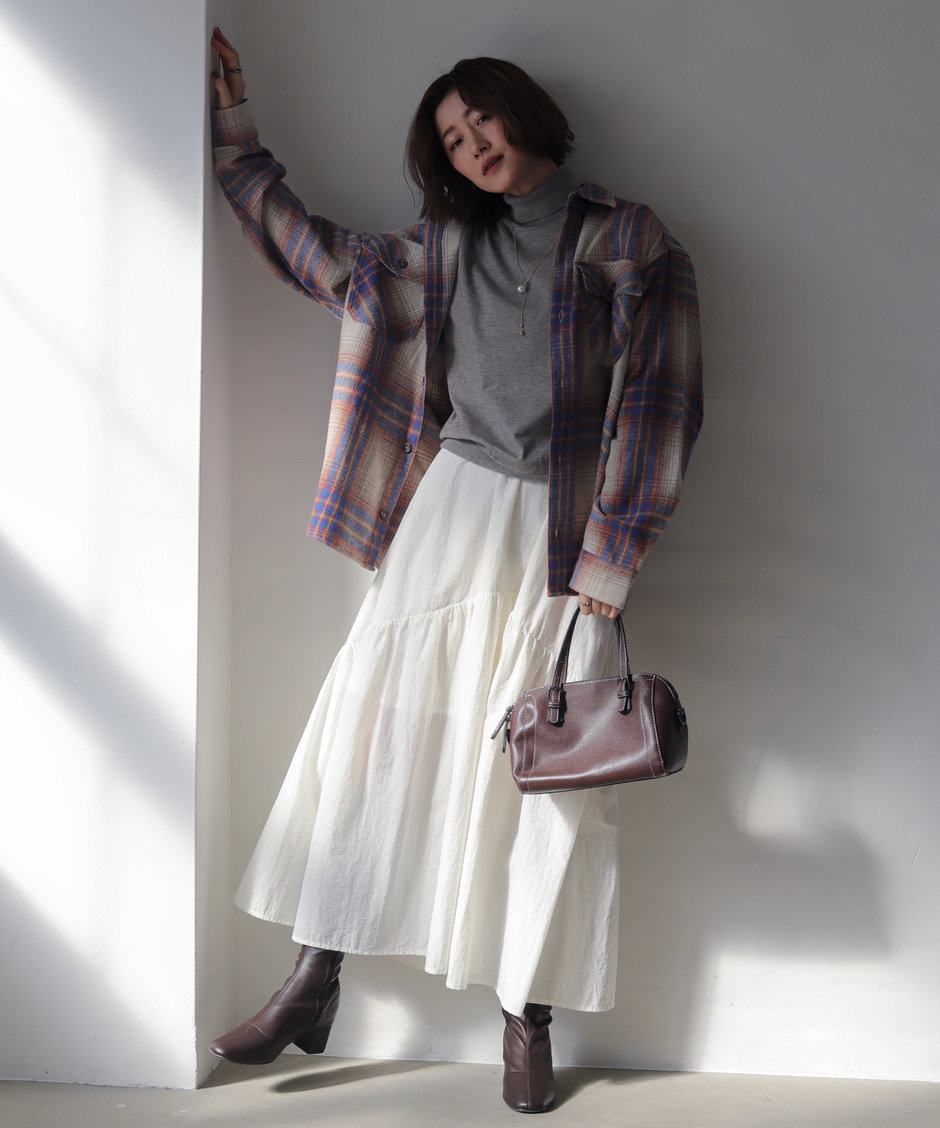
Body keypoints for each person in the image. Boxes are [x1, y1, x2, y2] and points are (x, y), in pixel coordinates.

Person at [208, 27, 702, 1114]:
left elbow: (662, 401)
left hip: (564, 536)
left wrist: (613, 557)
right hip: (447, 513)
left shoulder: (626, 238)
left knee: (549, 773)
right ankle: (313, 975)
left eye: (480, 118)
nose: (470, 142)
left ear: (522, 113)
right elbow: (312, 254)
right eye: (449, 136)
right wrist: (236, 137)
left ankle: (527, 1017)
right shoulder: (438, 248)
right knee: (372, 734)